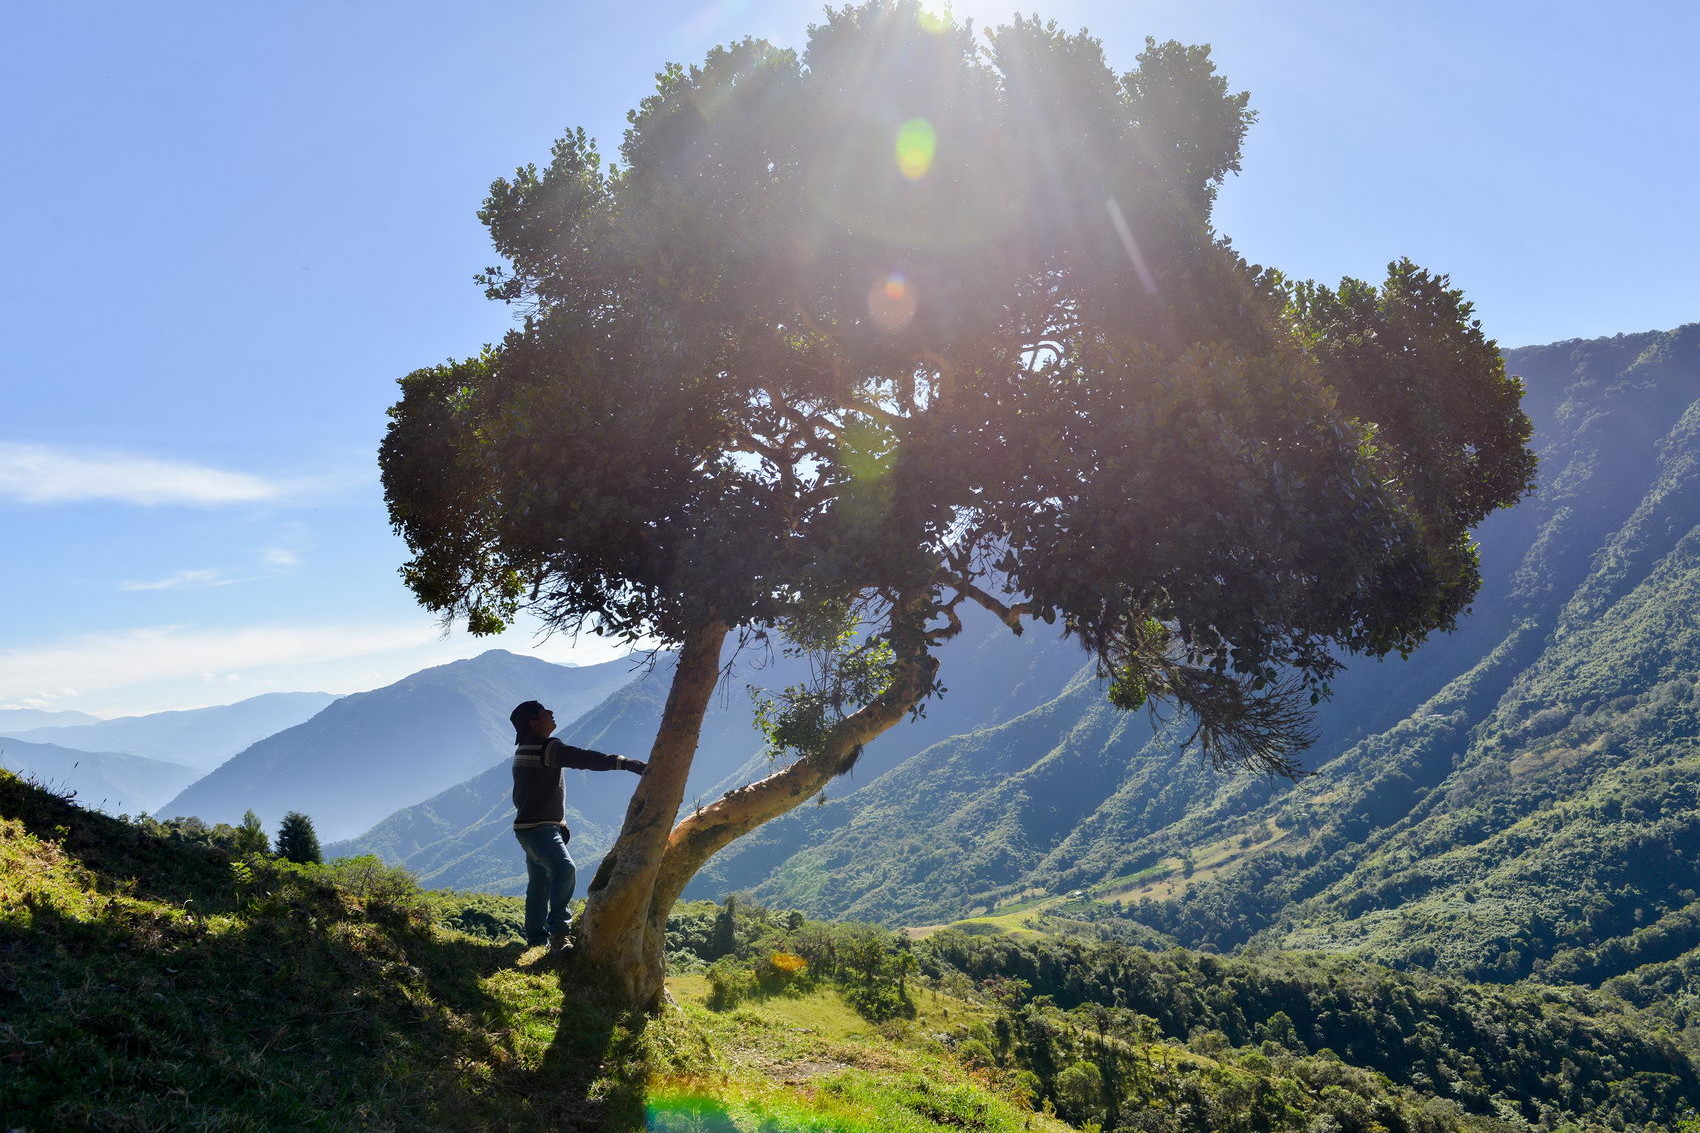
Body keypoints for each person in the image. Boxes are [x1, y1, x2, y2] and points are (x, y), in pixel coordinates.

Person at [509, 699, 646, 960]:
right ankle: (559, 935)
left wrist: (559, 825)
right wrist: (625, 763)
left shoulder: (524, 749)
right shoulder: (546, 748)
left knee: (538, 884)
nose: (551, 712)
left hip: (528, 828)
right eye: (544, 712)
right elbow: (583, 758)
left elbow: (527, 795)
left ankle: (536, 939)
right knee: (564, 869)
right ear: (533, 723)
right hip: (540, 829)